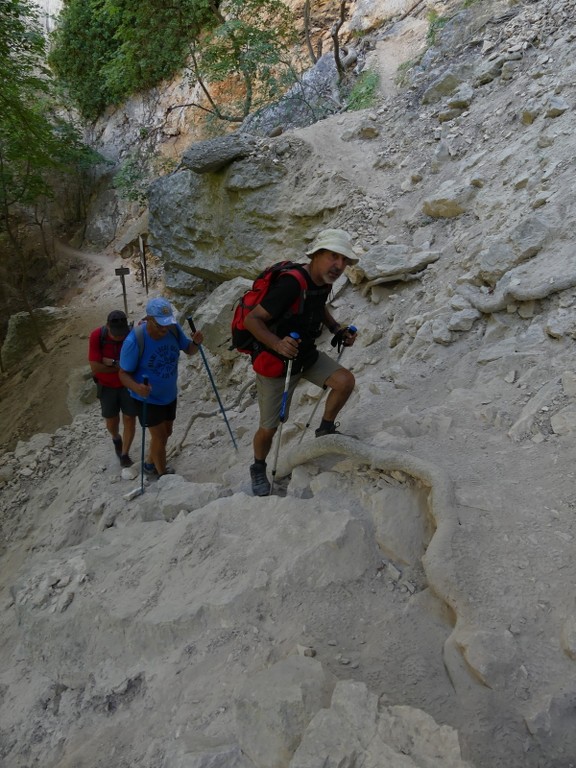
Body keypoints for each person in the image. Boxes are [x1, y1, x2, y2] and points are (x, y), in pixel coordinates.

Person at [244, 228, 358, 496]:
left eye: (344, 260)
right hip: (275, 365)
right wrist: (277, 343)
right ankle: (258, 467)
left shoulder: (324, 281)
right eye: (333, 257)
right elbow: (252, 320)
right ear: (317, 255)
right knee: (269, 427)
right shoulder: (291, 284)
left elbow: (318, 307)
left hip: (305, 355)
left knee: (344, 381)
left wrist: (336, 329)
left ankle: (325, 429)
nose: (339, 265)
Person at [119, 297, 203, 478]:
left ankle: (150, 463)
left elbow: (188, 350)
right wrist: (137, 388)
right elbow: (122, 374)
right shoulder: (134, 341)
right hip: (146, 398)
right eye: (159, 326)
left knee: (167, 432)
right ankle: (162, 473)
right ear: (149, 319)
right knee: (160, 437)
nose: (164, 330)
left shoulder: (172, 329)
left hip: (169, 394)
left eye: (166, 325)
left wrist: (195, 343)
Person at [88, 310, 139, 468]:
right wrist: (121, 367)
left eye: (121, 334)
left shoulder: (132, 335)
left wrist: (111, 363)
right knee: (112, 420)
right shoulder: (97, 336)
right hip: (107, 386)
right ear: (107, 327)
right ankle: (116, 437)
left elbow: (137, 362)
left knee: (130, 418)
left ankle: (124, 454)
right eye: (115, 334)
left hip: (128, 384)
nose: (118, 337)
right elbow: (95, 367)